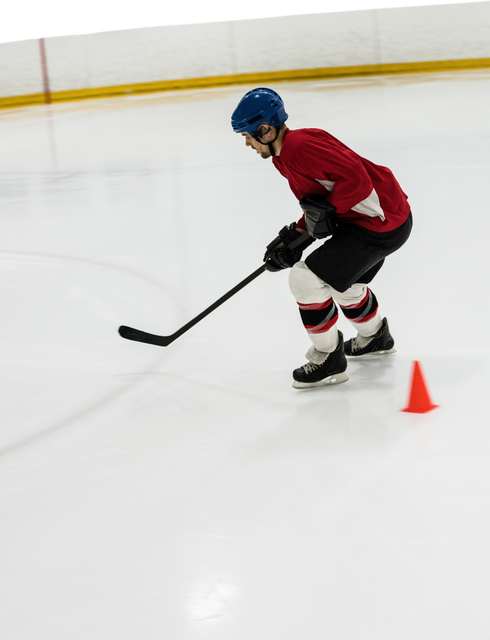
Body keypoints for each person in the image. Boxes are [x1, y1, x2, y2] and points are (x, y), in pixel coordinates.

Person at [231, 87, 413, 389]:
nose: (248, 143)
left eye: (248, 136)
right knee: (344, 283)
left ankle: (328, 359)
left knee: (305, 279)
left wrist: (320, 219)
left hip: (378, 224)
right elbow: (322, 201)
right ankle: (374, 337)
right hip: (380, 220)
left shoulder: (298, 147)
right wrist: (297, 235)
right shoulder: (284, 155)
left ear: (265, 129)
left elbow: (356, 180)